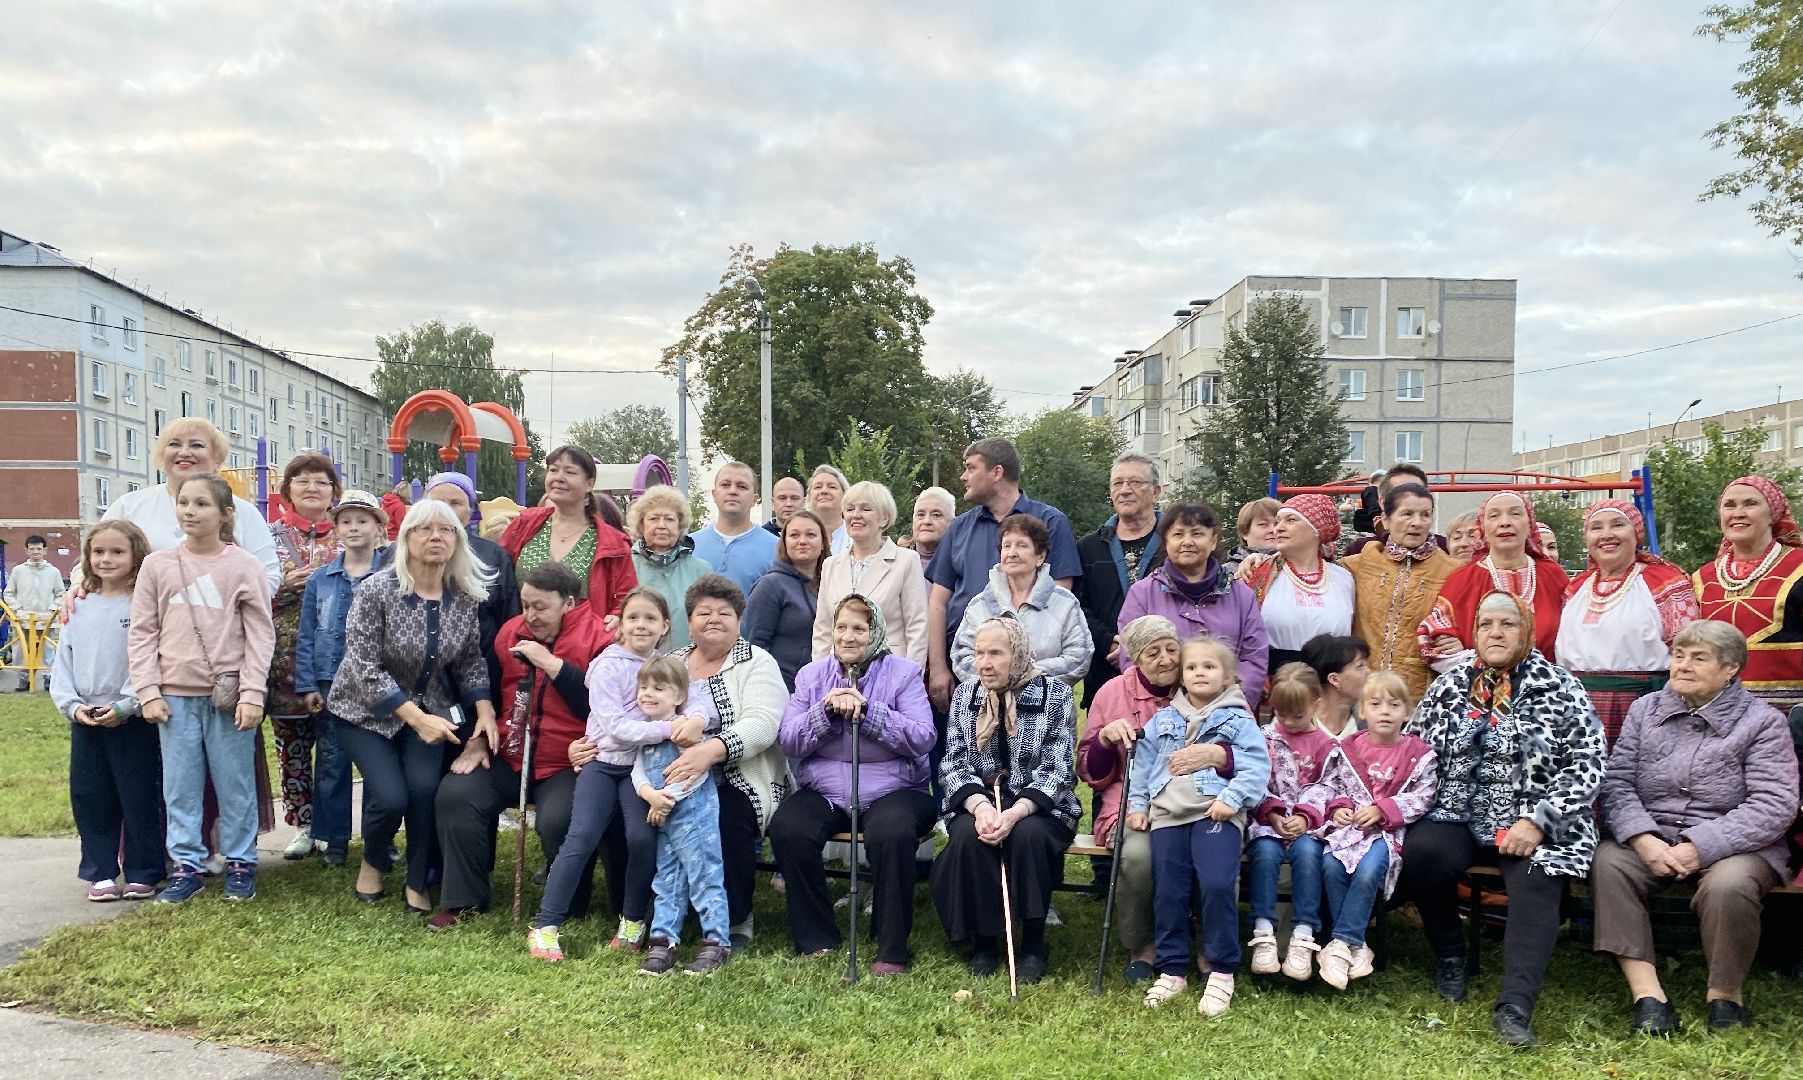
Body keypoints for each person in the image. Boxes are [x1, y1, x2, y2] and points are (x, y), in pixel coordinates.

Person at [1399, 591, 1605, 1046]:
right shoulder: (1450, 685)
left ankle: (1515, 1005)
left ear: (1526, 631)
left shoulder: (1559, 686)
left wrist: (1537, 821)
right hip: (1458, 809)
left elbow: (1587, 761)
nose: (1495, 632)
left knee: (1537, 878)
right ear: (1474, 633)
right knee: (1422, 852)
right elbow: (1415, 750)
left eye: (1507, 624)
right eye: (1486, 624)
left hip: (1533, 816)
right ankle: (1452, 955)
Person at [1591, 620, 1800, 1034]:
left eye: (1698, 658)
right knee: (1609, 863)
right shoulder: (1645, 710)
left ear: (1730, 669)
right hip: (1652, 834)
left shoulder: (1763, 723)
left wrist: (1699, 846)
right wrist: (1641, 838)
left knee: (1729, 885)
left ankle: (1725, 996)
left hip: (1737, 845)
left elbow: (1774, 804)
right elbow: (1616, 782)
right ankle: (1648, 995)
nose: (1683, 666)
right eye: (1679, 656)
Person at [330, 499, 498, 916]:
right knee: (389, 797)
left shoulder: (463, 597)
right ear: (406, 539)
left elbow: (469, 660)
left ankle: (417, 878)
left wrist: (485, 708)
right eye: (425, 529)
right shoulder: (377, 589)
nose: (436, 537)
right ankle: (373, 859)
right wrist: (416, 718)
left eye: (446, 530)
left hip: (432, 711)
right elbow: (362, 666)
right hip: (365, 711)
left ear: (458, 541)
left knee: (425, 791)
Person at [433, 561, 612, 929]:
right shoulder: (509, 633)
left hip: (569, 759)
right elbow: (486, 693)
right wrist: (480, 741)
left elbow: (600, 704)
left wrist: (552, 665)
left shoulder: (600, 640)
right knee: (458, 794)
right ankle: (464, 898)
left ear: (570, 602)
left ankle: (568, 902)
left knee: (559, 819)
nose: (530, 615)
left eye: (541, 607)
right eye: (526, 605)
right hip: (511, 752)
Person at [128, 473, 275, 904]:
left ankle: (241, 863)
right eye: (184, 503)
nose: (190, 511)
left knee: (235, 784)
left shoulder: (244, 566)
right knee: (181, 786)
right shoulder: (157, 565)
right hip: (173, 696)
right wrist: (148, 691)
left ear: (226, 514)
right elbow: (141, 632)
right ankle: (187, 866)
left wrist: (252, 693)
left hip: (227, 696)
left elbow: (259, 635)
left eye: (201, 504)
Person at [772, 594, 936, 974]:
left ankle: (891, 948)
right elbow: (789, 740)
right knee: (788, 828)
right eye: (841, 627)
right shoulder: (811, 676)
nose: (848, 636)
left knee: (892, 832)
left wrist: (871, 712)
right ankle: (817, 937)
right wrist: (824, 713)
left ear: (875, 631)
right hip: (825, 790)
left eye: (859, 628)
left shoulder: (904, 673)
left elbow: (923, 736)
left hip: (896, 789)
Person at [533, 588, 687, 959]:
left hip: (642, 770)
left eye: (650, 619)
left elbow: (686, 699)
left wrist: (690, 721)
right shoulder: (606, 665)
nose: (641, 625)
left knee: (642, 837)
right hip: (602, 766)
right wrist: (670, 728)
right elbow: (616, 727)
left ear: (664, 626)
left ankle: (632, 921)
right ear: (620, 625)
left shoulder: (666, 666)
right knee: (582, 835)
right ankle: (545, 924)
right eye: (633, 618)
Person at [1079, 615, 1229, 983]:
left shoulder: (1199, 682)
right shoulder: (1112, 693)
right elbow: (1089, 772)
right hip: (1131, 803)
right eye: (1152, 653)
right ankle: (1142, 944)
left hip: (1196, 799)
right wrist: (1104, 741)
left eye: (1171, 649)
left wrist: (1214, 754)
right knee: (1139, 856)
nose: (1165, 660)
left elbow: (1237, 744)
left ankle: (1206, 943)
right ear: (1134, 659)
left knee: (1206, 850)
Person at [1127, 637, 1271, 1017]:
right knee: (1169, 891)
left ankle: (1222, 970)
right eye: (1192, 667)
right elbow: (1141, 765)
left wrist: (1232, 799)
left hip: (1215, 812)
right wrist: (1139, 806)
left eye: (1209, 666)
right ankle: (1172, 969)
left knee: (1217, 883)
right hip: (1168, 815)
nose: (1200, 672)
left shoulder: (1238, 719)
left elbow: (1257, 766)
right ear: (1182, 678)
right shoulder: (1164, 719)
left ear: (1227, 677)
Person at [932, 616, 1080, 984]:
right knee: (970, 835)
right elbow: (952, 762)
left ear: (1017, 655)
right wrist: (981, 806)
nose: (984, 663)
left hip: (1039, 806)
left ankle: (1032, 940)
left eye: (995, 653)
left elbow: (1059, 770)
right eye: (979, 653)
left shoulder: (1054, 694)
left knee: (1027, 835)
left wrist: (1014, 813)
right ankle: (986, 939)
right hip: (982, 799)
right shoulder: (967, 695)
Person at [655, 574, 792, 947]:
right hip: (671, 775)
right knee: (639, 814)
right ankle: (649, 913)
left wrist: (709, 751)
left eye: (724, 612)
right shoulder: (670, 662)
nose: (714, 618)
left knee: (728, 817)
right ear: (689, 620)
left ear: (738, 619)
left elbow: (764, 724)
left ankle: (735, 918)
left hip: (739, 775)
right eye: (704, 612)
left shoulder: (757, 662)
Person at [1300, 669, 1438, 990]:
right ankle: (1357, 947)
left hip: (1387, 834)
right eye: (1375, 704)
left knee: (1368, 871)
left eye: (1393, 705)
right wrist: (1340, 808)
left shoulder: (1418, 755)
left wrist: (1383, 810)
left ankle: (1340, 941)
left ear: (1408, 712)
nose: (1385, 712)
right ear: (1361, 711)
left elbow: (1423, 796)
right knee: (1331, 865)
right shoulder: (1347, 749)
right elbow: (1331, 785)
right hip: (1348, 831)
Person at [926, 437, 1082, 712]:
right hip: (968, 670)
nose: (963, 476)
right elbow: (938, 602)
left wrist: (1022, 672)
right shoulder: (959, 528)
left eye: (971, 468)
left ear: (997, 472)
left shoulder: (1050, 522)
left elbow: (1059, 600)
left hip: (1037, 683)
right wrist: (938, 667)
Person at [52, 520, 160, 902]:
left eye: (117, 552)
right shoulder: (78, 604)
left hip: (132, 716)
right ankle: (99, 870)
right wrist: (72, 705)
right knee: (90, 794)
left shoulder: (143, 603)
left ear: (136, 556)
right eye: (99, 552)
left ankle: (144, 869)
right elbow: (63, 660)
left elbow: (148, 659)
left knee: (140, 794)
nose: (106, 559)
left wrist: (127, 704)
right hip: (87, 715)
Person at [294, 490, 388, 866]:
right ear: (335, 529)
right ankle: (333, 838)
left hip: (376, 682)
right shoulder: (322, 578)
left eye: (362, 520)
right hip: (331, 681)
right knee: (332, 762)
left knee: (377, 764)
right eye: (346, 521)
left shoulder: (389, 574)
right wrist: (307, 683)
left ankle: (377, 837)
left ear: (379, 528)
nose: (353, 527)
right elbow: (307, 631)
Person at [1558, 500, 1700, 747]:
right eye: (1596, 528)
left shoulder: (1665, 582)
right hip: (1576, 705)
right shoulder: (1576, 587)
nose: (1606, 535)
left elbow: (1690, 650)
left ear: (1636, 533)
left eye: (1617, 525)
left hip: (1643, 703)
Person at [625, 655, 734, 975]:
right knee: (667, 878)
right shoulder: (646, 732)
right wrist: (650, 796)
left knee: (704, 876)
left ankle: (717, 942)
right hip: (664, 817)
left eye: (658, 687)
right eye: (643, 686)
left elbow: (695, 774)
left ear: (679, 697)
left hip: (694, 818)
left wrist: (665, 799)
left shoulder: (686, 732)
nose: (647, 693)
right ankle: (663, 943)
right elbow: (638, 772)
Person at [91, 418, 279, 594]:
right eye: (174, 444)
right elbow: (88, 564)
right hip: (138, 622)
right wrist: (79, 588)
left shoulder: (243, 511)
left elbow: (267, 576)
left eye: (196, 445)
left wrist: (226, 609)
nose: (184, 452)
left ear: (216, 458)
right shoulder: (129, 506)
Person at [265, 453, 343, 861]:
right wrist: (281, 587)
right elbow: (246, 589)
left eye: (321, 481)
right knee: (292, 747)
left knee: (337, 748)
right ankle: (304, 826)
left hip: (338, 663)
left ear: (334, 491)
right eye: (302, 481)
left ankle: (335, 827)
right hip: (285, 661)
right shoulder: (268, 537)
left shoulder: (350, 533)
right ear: (288, 490)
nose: (312, 488)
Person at [1116, 501, 1270, 710]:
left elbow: (1254, 656)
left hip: (1227, 713)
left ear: (1213, 541)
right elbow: (1131, 655)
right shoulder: (1143, 594)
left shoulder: (1240, 593)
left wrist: (1228, 705)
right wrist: (1168, 707)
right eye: (1178, 534)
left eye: (1197, 534)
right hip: (1160, 712)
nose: (1187, 542)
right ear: (1166, 541)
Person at [396, 472, 522, 705]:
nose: (446, 510)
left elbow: (509, 618)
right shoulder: (398, 556)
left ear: (470, 511)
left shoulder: (492, 556)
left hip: (478, 673)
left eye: (455, 503)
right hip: (411, 682)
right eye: (437, 502)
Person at [1244, 664, 1333, 982]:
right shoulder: (1263, 739)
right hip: (1268, 823)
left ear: (1316, 703)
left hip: (1309, 825)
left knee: (1308, 855)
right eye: (1282, 715)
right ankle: (1263, 931)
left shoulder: (1327, 745)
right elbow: (1254, 780)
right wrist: (1270, 811)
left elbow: (1329, 786)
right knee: (1265, 855)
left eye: (1297, 715)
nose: (1289, 722)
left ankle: (1303, 935)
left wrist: (1305, 815)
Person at [1419, 491, 1569, 668]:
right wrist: (1460, 654)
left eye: (1515, 513)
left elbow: (1575, 639)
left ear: (1530, 525)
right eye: (1494, 516)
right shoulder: (1463, 579)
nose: (1505, 522)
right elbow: (1430, 637)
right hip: (1479, 688)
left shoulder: (1553, 575)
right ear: (1482, 529)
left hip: (1545, 689)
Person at [1692, 475, 1803, 715]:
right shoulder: (1702, 578)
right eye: (1729, 505)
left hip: (1791, 719)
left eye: (1750, 503)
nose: (1738, 512)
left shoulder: (1799, 567)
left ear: (1773, 514)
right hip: (1718, 717)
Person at [1341, 483, 1461, 702]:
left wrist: (1462, 643)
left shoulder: (1453, 571)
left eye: (1425, 515)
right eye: (1407, 514)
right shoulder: (1360, 563)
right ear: (1386, 519)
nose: (1417, 522)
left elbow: (1470, 621)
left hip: (1420, 696)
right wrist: (1263, 558)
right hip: (1363, 692)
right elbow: (1313, 567)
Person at [498, 445, 636, 626]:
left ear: (589, 484)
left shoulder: (613, 543)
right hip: (521, 641)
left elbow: (627, 597)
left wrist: (618, 616)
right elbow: (497, 574)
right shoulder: (524, 525)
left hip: (583, 646)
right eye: (553, 470)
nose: (558, 478)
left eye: (570, 472)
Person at [951, 514, 1092, 686]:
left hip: (1047, 706)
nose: (1012, 553)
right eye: (1006, 546)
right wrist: (1000, 680)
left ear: (1040, 556)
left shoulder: (1065, 603)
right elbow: (961, 657)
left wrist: (1025, 675)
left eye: (1022, 545)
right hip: (991, 707)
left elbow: (1079, 655)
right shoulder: (978, 605)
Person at [1073, 453, 1164, 709]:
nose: (1125, 490)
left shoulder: (1176, 544)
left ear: (1156, 492)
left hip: (1164, 673)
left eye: (1135, 482)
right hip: (1105, 673)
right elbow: (1077, 606)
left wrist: (1145, 646)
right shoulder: (1089, 547)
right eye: (1117, 483)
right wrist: (1110, 641)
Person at [1239, 495, 1355, 678]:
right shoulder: (1256, 574)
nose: (1278, 528)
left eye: (1291, 520)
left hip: (1330, 687)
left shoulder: (1344, 578)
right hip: (1274, 687)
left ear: (1316, 529)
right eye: (1278, 521)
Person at [745, 510, 827, 690]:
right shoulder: (770, 585)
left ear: (822, 543)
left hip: (824, 687)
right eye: (794, 535)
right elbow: (756, 647)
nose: (802, 541)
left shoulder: (832, 583)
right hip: (784, 690)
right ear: (785, 543)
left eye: (811, 535)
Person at [625, 484, 712, 653]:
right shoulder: (625, 566)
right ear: (641, 525)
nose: (661, 525)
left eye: (669, 519)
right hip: (637, 666)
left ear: (680, 526)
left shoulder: (701, 570)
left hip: (688, 666)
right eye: (653, 518)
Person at [689, 462, 778, 598]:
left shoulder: (776, 548)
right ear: (714, 494)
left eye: (742, 486)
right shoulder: (689, 545)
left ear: (755, 499)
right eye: (725, 485)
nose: (732, 491)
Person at [1344, 464, 1449, 557]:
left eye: (1418, 492)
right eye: (1400, 494)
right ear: (1382, 502)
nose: (1411, 498)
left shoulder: (1447, 550)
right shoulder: (1359, 552)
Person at [1300, 634, 1370, 741]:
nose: (1369, 672)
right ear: (1334, 679)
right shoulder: (1294, 723)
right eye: (1360, 666)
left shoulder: (1371, 724)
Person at [5, 533, 66, 620]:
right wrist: (18, 609)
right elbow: (8, 593)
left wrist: (53, 609)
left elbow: (61, 595)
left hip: (47, 621)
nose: (35, 551)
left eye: (39, 549)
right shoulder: (18, 571)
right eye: (32, 549)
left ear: (45, 550)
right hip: (23, 620)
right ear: (26, 550)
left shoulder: (53, 572)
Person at [900, 486, 955, 579]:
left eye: (936, 515)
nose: (926, 521)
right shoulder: (895, 562)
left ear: (952, 523)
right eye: (920, 514)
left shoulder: (962, 564)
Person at [1221, 498, 1278, 580]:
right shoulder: (1226, 573)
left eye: (1277, 523)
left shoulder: (1295, 566)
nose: (1273, 530)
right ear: (1245, 532)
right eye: (1263, 524)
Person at [806, 464, 852, 555]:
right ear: (809, 497)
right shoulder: (797, 537)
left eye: (832, 487)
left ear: (845, 495)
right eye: (818, 487)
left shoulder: (856, 535)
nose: (824, 491)